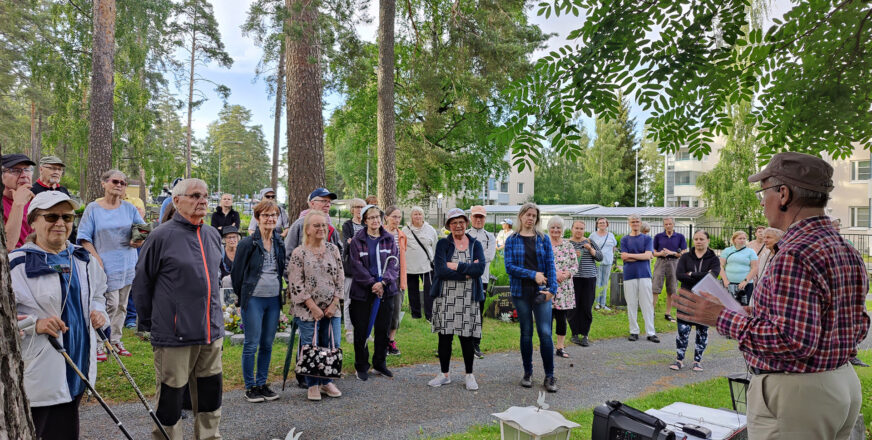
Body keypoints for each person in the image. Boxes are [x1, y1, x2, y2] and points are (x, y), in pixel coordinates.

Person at [677, 152, 869, 440]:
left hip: (798, 397)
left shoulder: (793, 253)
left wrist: (720, 317)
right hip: (842, 385)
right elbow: (856, 323)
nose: (762, 202)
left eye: (763, 193)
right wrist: (754, 315)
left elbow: (792, 340)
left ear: (783, 194)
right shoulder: (845, 249)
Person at [11, 191, 108, 440]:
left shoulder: (83, 259)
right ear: (33, 221)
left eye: (67, 217)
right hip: (40, 370)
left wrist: (99, 313)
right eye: (52, 216)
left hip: (77, 364)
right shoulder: (17, 264)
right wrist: (36, 324)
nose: (61, 223)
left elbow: (99, 294)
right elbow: (6, 316)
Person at [133, 178, 225, 440]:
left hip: (210, 332)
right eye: (195, 196)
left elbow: (213, 282)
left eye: (206, 196)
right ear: (177, 201)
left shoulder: (211, 234)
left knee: (210, 395)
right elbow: (142, 283)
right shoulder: (161, 236)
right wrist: (153, 325)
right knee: (171, 399)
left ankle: (209, 437)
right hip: (175, 335)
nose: (203, 201)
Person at [77, 170, 145, 360]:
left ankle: (115, 341)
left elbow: (143, 230)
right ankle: (99, 342)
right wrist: (96, 258)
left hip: (127, 265)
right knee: (109, 305)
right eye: (115, 181)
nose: (119, 185)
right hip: (103, 266)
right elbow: (83, 237)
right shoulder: (93, 208)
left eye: (123, 183)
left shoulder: (129, 209)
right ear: (104, 183)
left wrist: (138, 240)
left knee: (122, 306)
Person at [231, 200, 286, 403]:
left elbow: (282, 270)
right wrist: (242, 296)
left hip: (273, 300)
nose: (270, 219)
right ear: (258, 218)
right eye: (266, 215)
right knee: (251, 343)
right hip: (253, 299)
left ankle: (262, 383)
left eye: (273, 215)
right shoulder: (248, 243)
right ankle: (250, 386)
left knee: (267, 344)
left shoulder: (279, 242)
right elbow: (236, 274)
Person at [288, 210, 344, 401]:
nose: (321, 228)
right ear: (308, 230)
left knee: (331, 344)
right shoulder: (299, 253)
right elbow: (295, 283)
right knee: (310, 346)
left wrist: (334, 303)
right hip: (307, 309)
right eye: (317, 225)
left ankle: (327, 381)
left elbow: (340, 279)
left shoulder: (333, 249)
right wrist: (313, 307)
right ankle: (312, 385)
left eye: (323, 225)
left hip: (331, 308)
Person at [428, 208, 485, 390]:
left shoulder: (475, 245)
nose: (458, 225)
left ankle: (469, 375)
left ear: (466, 223)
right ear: (449, 226)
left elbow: (479, 270)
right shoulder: (443, 244)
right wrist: (466, 273)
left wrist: (455, 265)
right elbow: (440, 270)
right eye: (454, 223)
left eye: (461, 222)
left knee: (466, 338)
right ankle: (445, 374)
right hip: (446, 297)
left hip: (468, 298)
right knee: (445, 337)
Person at [504, 203, 559, 392]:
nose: (530, 218)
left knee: (545, 333)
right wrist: (532, 274)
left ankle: (550, 376)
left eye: (534, 216)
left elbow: (551, 265)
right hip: (520, 292)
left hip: (542, 292)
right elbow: (509, 267)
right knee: (526, 333)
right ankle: (527, 372)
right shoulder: (512, 240)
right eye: (527, 215)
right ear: (521, 217)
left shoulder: (543, 239)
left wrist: (553, 289)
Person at [347, 205, 400, 381]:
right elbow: (356, 266)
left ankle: (380, 363)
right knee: (361, 329)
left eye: (377, 217)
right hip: (363, 292)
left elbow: (394, 264)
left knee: (383, 329)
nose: (375, 220)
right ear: (364, 220)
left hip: (386, 290)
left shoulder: (389, 239)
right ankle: (361, 366)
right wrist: (372, 284)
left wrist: (383, 282)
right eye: (371, 218)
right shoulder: (357, 240)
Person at [670, 230, 720, 372]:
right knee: (682, 331)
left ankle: (697, 361)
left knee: (702, 331)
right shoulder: (685, 257)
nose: (698, 241)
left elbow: (713, 276)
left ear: (707, 241)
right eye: (696, 239)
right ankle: (679, 359)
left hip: (704, 299)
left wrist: (692, 274)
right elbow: (680, 275)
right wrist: (702, 276)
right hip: (686, 297)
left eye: (702, 239)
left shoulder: (714, 259)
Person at [620, 214, 659, 343]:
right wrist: (641, 255)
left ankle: (651, 332)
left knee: (647, 304)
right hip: (629, 275)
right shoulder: (624, 239)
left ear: (640, 223)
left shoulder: (647, 239)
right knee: (631, 303)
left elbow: (648, 256)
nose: (635, 223)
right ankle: (634, 331)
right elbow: (624, 258)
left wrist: (631, 256)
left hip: (644, 274)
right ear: (629, 223)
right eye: (633, 221)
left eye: (637, 221)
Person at [466, 205, 495, 358]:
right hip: (465, 278)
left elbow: (488, 256)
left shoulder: (490, 237)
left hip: (481, 279)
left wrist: (474, 260)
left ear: (485, 219)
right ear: (471, 218)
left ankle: (476, 344)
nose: (478, 219)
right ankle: (464, 342)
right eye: (476, 216)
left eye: (481, 217)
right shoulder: (464, 234)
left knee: (478, 311)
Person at [568, 220, 603, 347]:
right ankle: (574, 334)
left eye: (581, 228)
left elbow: (600, 257)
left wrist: (591, 250)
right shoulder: (567, 243)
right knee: (573, 307)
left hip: (589, 278)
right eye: (576, 228)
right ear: (572, 229)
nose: (579, 231)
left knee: (586, 306)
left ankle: (585, 334)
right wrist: (572, 255)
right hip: (573, 278)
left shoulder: (589, 242)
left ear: (584, 230)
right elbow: (561, 261)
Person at [548, 216, 578, 358]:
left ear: (562, 229)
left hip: (564, 288)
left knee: (561, 318)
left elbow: (574, 265)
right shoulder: (544, 244)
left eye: (558, 227)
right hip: (548, 286)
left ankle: (560, 347)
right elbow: (539, 263)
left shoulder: (568, 245)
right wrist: (555, 274)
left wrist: (566, 274)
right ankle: (546, 346)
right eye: (553, 227)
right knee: (546, 318)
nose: (555, 230)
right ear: (548, 228)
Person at [284, 187, 343, 257]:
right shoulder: (299, 225)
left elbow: (339, 254)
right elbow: (287, 254)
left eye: (329, 202)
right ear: (312, 204)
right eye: (324, 201)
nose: (328, 205)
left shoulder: (331, 228)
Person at [403, 205, 438, 321]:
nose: (417, 216)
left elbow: (435, 247)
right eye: (415, 214)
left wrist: (432, 259)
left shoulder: (430, 229)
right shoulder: (405, 230)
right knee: (412, 291)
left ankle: (430, 315)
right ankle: (416, 314)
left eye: (420, 214)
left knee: (429, 291)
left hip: (426, 266)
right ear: (411, 217)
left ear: (423, 216)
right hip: (410, 266)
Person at [341, 198, 366, 343]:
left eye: (362, 207)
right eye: (356, 207)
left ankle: (364, 330)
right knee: (349, 300)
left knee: (365, 301)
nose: (359, 209)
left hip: (366, 269)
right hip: (351, 269)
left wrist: (354, 241)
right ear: (352, 209)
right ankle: (349, 330)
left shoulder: (367, 224)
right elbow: (347, 244)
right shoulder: (347, 225)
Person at [652, 217, 687, 322]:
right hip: (660, 262)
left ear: (673, 224)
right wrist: (661, 253)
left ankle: (668, 313)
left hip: (674, 263)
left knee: (671, 289)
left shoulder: (680, 237)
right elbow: (653, 252)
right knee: (655, 288)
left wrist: (673, 253)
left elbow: (684, 251)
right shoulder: (658, 237)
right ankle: (651, 311)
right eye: (666, 224)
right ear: (663, 225)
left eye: (670, 224)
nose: (668, 226)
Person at [383, 206, 408, 356]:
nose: (396, 220)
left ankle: (391, 341)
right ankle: (383, 340)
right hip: (384, 276)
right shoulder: (380, 233)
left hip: (398, 277)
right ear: (386, 217)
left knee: (396, 309)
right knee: (384, 310)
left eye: (399, 217)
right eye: (393, 216)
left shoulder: (402, 235)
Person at [2, 153, 36, 251]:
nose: (24, 175)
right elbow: (7, 246)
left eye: (27, 170)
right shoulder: (3, 203)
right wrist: (18, 204)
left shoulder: (34, 201)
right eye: (16, 171)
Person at [719, 231, 758, 306]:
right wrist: (725, 280)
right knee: (728, 307)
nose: (742, 240)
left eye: (744, 238)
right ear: (734, 240)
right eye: (740, 238)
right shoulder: (727, 250)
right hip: (729, 284)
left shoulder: (751, 252)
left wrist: (745, 281)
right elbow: (720, 266)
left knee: (744, 308)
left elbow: (755, 268)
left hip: (745, 285)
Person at [591, 217, 617, 311]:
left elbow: (614, 247)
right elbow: (590, 247)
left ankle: (603, 303)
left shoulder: (611, 235)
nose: (602, 224)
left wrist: (612, 258)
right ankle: (597, 303)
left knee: (605, 282)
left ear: (607, 224)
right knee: (598, 282)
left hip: (608, 262)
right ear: (597, 225)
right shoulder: (593, 235)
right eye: (600, 223)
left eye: (603, 223)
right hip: (597, 262)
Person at [220, 226, 240, 304]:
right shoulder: (221, 251)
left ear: (238, 238)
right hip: (225, 282)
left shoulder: (241, 250)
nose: (232, 240)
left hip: (240, 280)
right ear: (224, 239)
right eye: (229, 237)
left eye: (234, 237)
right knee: (227, 280)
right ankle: (229, 306)